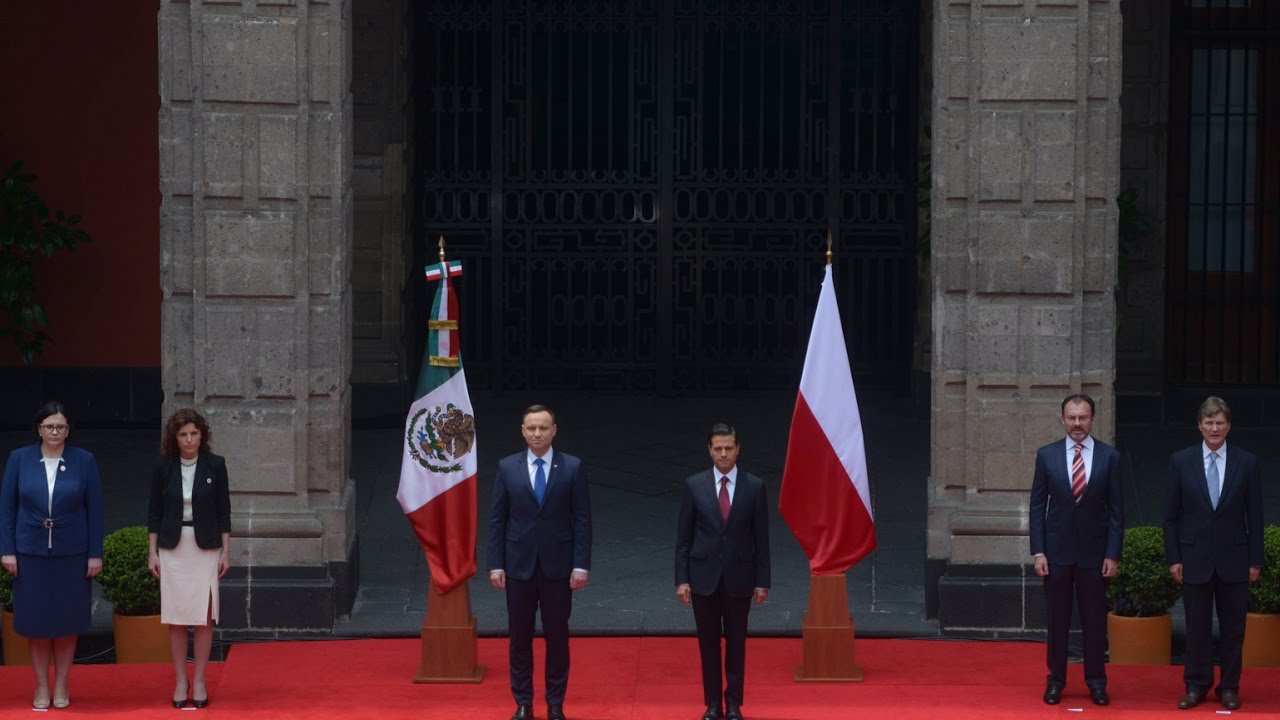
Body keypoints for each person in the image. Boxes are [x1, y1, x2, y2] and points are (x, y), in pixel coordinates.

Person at [487, 405, 592, 720]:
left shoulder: (572, 467)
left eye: (543, 428)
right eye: (531, 428)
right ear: (522, 430)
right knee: (519, 636)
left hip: (559, 568)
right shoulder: (507, 467)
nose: (537, 434)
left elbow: (583, 519)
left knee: (557, 636)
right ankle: (523, 702)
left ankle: (556, 703)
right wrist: (495, 563)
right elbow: (497, 519)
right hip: (518, 566)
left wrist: (581, 565)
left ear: (554, 430)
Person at [0, 401, 104, 710]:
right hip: (29, 552)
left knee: (66, 622)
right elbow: (7, 508)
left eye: (60, 426)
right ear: (39, 429)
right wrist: (7, 550)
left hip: (71, 553)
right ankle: (41, 686)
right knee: (37, 623)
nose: (55, 432)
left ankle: (62, 685)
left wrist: (94, 554)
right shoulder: (19, 459)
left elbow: (95, 510)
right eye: (49, 426)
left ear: (69, 430)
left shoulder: (84, 460)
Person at [1163, 396, 1263, 711]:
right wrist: (1174, 557)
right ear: (1199, 425)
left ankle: (1229, 687)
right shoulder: (1181, 461)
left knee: (1234, 630)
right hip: (1194, 560)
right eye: (1209, 422)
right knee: (1197, 628)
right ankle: (1196, 685)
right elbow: (1170, 516)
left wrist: (1255, 559)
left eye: (1220, 422)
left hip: (1235, 559)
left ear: (1229, 425)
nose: (1214, 428)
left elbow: (1256, 515)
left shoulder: (1247, 462)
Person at [1028, 394, 1123, 707]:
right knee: (1057, 621)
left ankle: (1096, 682)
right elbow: (1037, 506)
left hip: (1095, 556)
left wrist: (1112, 553)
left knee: (1095, 622)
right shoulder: (1047, 455)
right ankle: (1055, 680)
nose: (1078, 423)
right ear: (1063, 419)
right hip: (1055, 554)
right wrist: (1038, 551)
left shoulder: (1110, 458)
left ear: (1093, 419)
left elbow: (1116, 512)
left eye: (1083, 417)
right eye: (1072, 417)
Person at [674, 423, 771, 720]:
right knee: (708, 644)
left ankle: (734, 703)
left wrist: (762, 581)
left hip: (740, 578)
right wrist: (682, 579)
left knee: (737, 644)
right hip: (703, 577)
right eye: (718, 448)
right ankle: (713, 703)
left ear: (738, 448)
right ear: (709, 450)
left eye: (729, 448)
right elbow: (684, 538)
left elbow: (761, 539)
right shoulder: (694, 485)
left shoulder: (754, 486)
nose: (724, 454)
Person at [147, 408, 231, 709]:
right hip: (173, 547)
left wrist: (226, 552)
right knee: (177, 617)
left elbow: (224, 512)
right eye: (183, 434)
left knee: (204, 616)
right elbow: (154, 512)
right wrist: (151, 553)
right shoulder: (162, 467)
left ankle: (200, 680)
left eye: (194, 433)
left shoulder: (215, 465)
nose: (189, 439)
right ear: (175, 438)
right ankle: (181, 680)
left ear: (202, 435)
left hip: (206, 547)